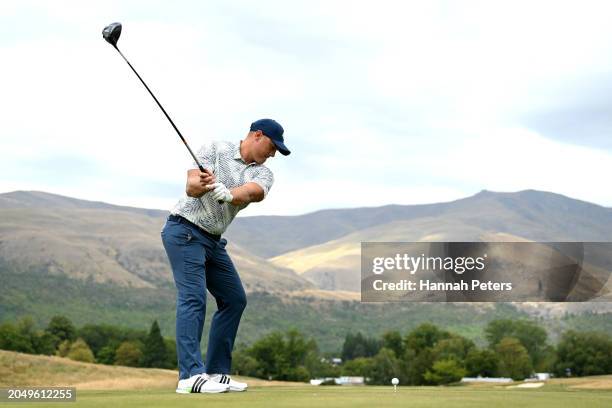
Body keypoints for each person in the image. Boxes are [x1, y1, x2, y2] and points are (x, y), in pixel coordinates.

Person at [161, 119, 290, 393]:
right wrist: (207, 184)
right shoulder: (215, 149)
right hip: (184, 230)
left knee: (234, 299)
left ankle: (217, 372)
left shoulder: (264, 173)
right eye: (272, 146)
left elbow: (255, 193)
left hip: (212, 240)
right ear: (257, 135)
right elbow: (191, 187)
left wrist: (229, 194)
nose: (273, 153)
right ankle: (189, 377)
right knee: (193, 298)